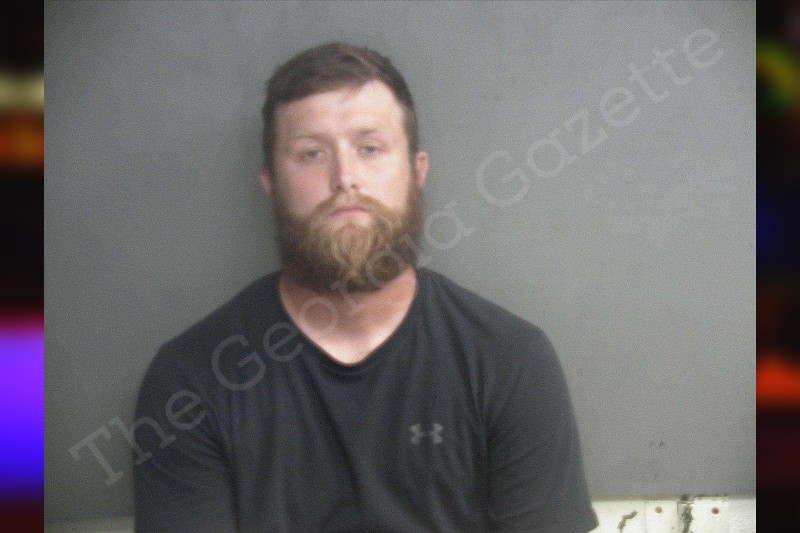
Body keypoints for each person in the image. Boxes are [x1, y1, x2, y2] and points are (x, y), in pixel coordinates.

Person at [133, 42, 598, 533]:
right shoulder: (191, 383)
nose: (345, 179)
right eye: (311, 154)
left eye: (370, 148)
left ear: (417, 173)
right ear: (272, 184)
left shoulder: (510, 360)